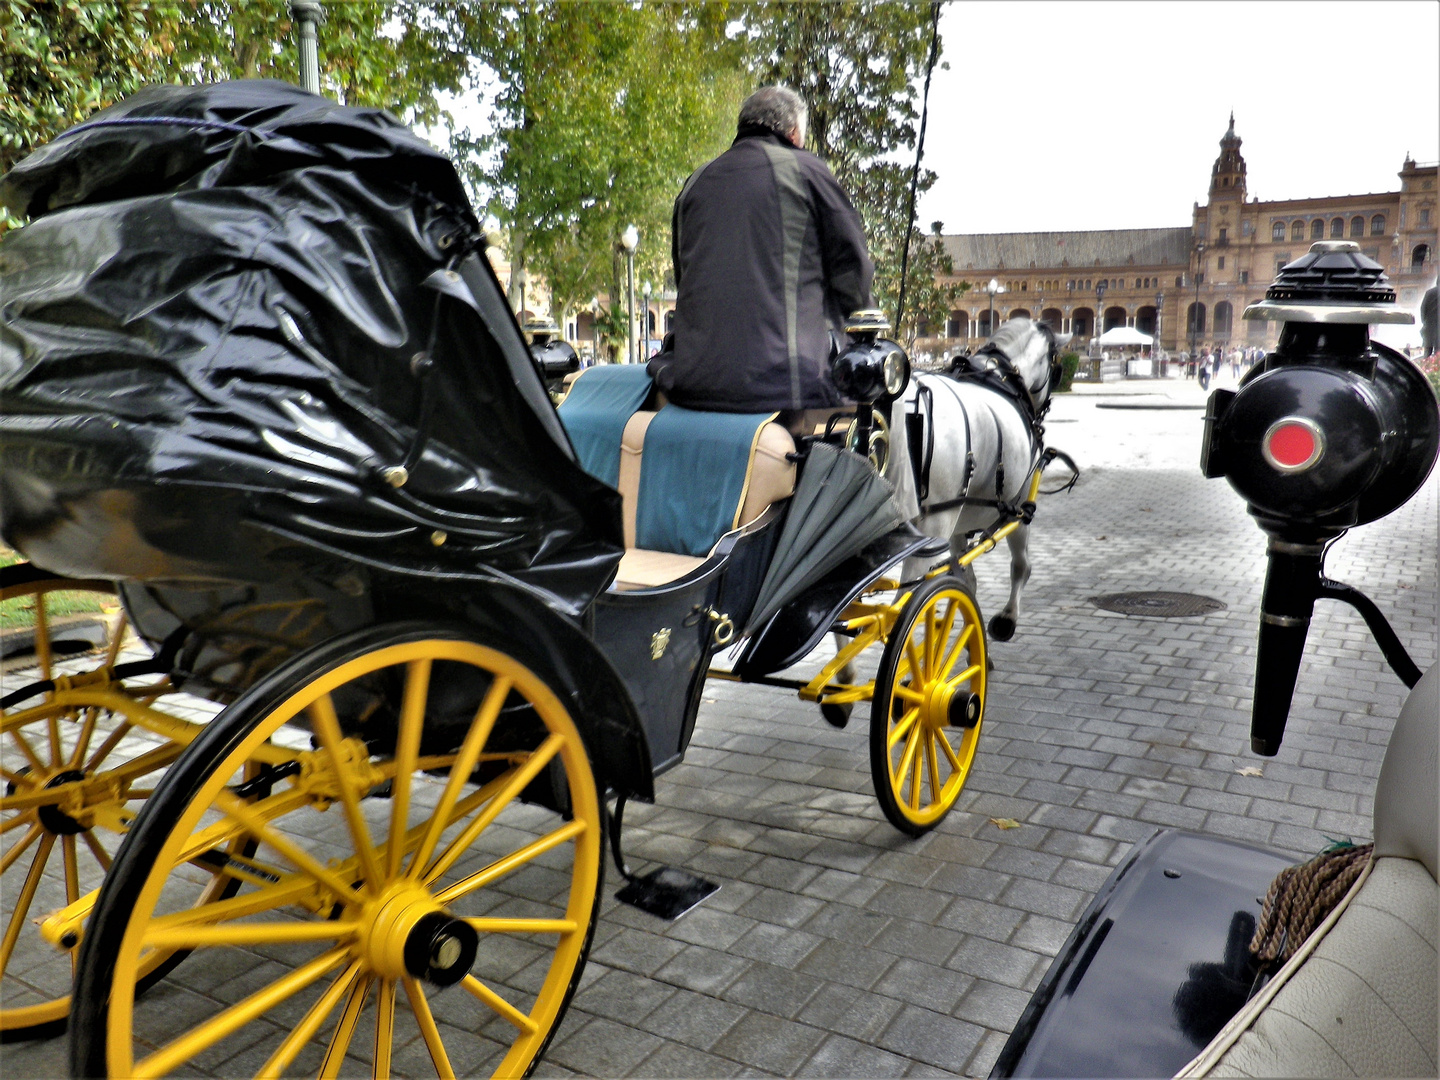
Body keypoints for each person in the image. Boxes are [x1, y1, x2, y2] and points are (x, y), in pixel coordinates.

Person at [647, 86, 874, 415]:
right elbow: (853, 275)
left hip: (693, 385)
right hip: (785, 389)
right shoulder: (806, 171)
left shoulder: (696, 182)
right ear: (794, 133)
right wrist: (867, 335)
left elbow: (686, 280)